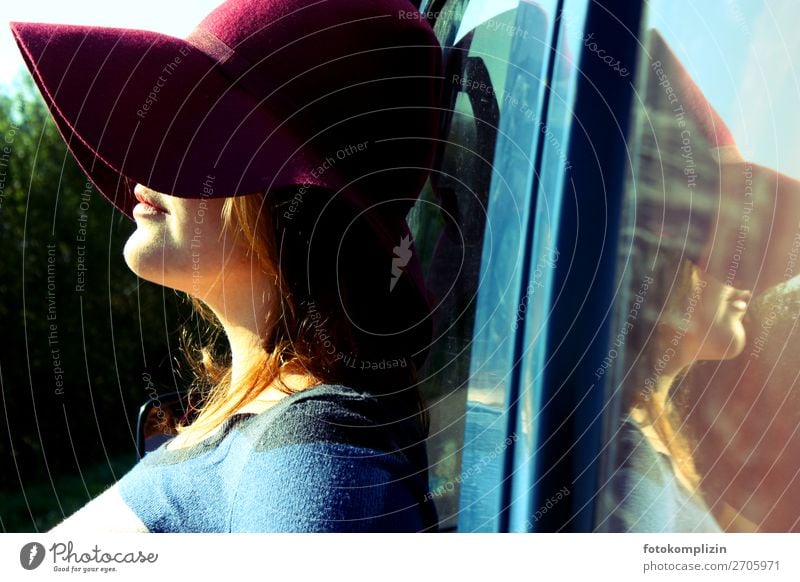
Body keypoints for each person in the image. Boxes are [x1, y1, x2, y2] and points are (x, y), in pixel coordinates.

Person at [10, 0, 442, 532]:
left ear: (290, 199)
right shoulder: (283, 433)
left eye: (190, 131)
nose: (142, 163)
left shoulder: (309, 461)